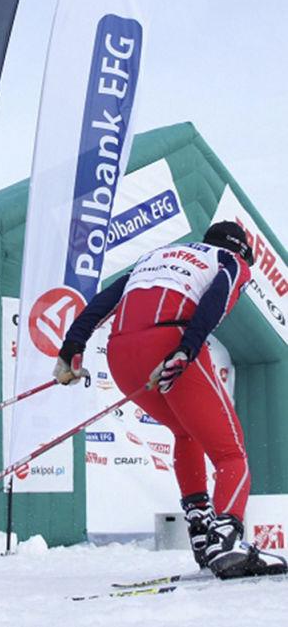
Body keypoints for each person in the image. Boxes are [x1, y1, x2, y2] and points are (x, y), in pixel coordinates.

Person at [53, 221, 287, 579]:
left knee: (185, 432)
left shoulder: (155, 257)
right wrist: (187, 348)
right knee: (231, 453)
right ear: (240, 250)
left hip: (120, 354)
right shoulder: (230, 260)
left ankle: (201, 528)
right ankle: (226, 539)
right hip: (169, 342)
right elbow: (217, 298)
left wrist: (72, 346)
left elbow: (103, 301)